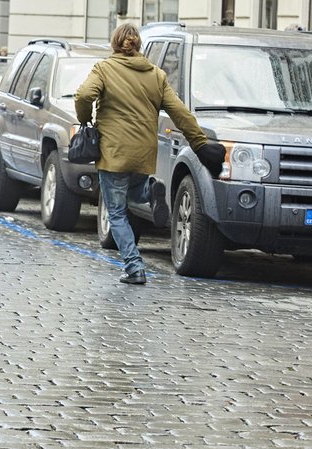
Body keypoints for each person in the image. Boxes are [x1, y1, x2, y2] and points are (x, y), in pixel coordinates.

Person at [74, 23, 225, 285]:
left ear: (115, 44)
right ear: (138, 45)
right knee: (134, 192)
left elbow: (84, 94)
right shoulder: (156, 75)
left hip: (114, 151)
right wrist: (200, 144)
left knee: (117, 212)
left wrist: (85, 118)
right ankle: (151, 190)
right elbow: (180, 113)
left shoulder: (105, 69)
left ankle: (134, 267)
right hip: (144, 151)